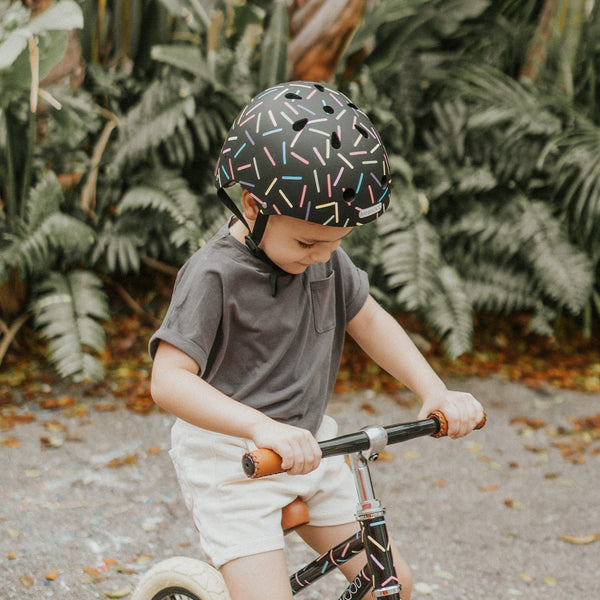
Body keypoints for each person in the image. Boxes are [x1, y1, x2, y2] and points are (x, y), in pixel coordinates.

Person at [149, 80, 484, 600]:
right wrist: (260, 428)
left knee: (391, 582)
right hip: (234, 460)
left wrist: (434, 390)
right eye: (309, 241)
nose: (323, 257)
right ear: (253, 206)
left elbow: (370, 321)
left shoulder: (322, 260)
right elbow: (168, 382)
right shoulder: (212, 275)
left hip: (313, 448)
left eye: (335, 243)